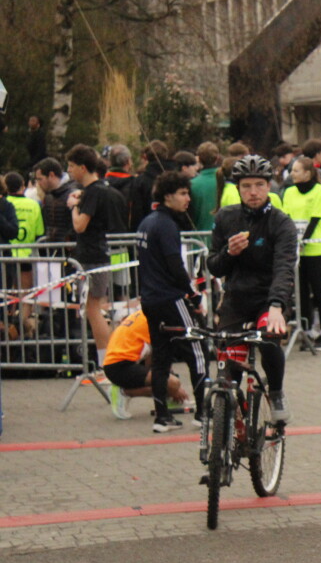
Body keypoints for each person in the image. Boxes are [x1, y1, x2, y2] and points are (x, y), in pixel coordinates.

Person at [207, 155, 296, 422]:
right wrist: (229, 253)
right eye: (246, 186)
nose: (253, 192)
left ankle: (276, 392)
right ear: (238, 188)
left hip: (269, 298)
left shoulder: (281, 222)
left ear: (269, 186)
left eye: (259, 185)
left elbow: (284, 268)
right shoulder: (226, 217)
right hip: (236, 298)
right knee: (229, 360)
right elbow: (214, 266)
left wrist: (277, 305)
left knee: (269, 338)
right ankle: (229, 418)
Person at [137, 171, 208, 432]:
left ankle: (162, 417)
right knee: (198, 351)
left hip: (150, 299)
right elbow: (175, 265)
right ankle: (203, 413)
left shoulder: (147, 223)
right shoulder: (166, 225)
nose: (188, 198)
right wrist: (193, 294)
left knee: (161, 357)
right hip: (170, 298)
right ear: (168, 196)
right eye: (183, 193)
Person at [66, 144, 126, 368]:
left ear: (82, 167)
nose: (69, 171)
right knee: (95, 308)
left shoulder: (93, 192)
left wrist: (74, 206)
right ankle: (108, 359)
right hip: (96, 255)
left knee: (93, 309)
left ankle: (106, 360)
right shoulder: (97, 190)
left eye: (71, 166)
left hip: (93, 256)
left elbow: (80, 226)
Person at [102, 309, 193, 422]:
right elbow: (161, 358)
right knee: (173, 383)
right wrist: (174, 389)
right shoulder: (157, 319)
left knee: (166, 381)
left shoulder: (147, 314)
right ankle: (123, 392)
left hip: (117, 364)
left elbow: (153, 358)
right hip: (120, 366)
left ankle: (167, 398)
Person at [282, 155, 321, 350]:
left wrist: (304, 241)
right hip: (295, 250)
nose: (292, 174)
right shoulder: (289, 192)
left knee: (319, 291)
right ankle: (307, 329)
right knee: (301, 293)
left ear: (307, 173)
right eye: (291, 171)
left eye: (296, 171)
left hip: (314, 249)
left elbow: (315, 218)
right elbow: (286, 217)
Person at [4, 170, 44, 334]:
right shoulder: (33, 205)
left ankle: (8, 325)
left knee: (7, 292)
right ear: (22, 185)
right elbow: (39, 231)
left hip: (6, 255)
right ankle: (22, 325)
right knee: (26, 293)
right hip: (26, 255)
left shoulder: (4, 203)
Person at [189, 142, 221, 232]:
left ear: (198, 159)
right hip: (224, 237)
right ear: (217, 158)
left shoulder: (191, 184)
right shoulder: (227, 182)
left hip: (197, 237)